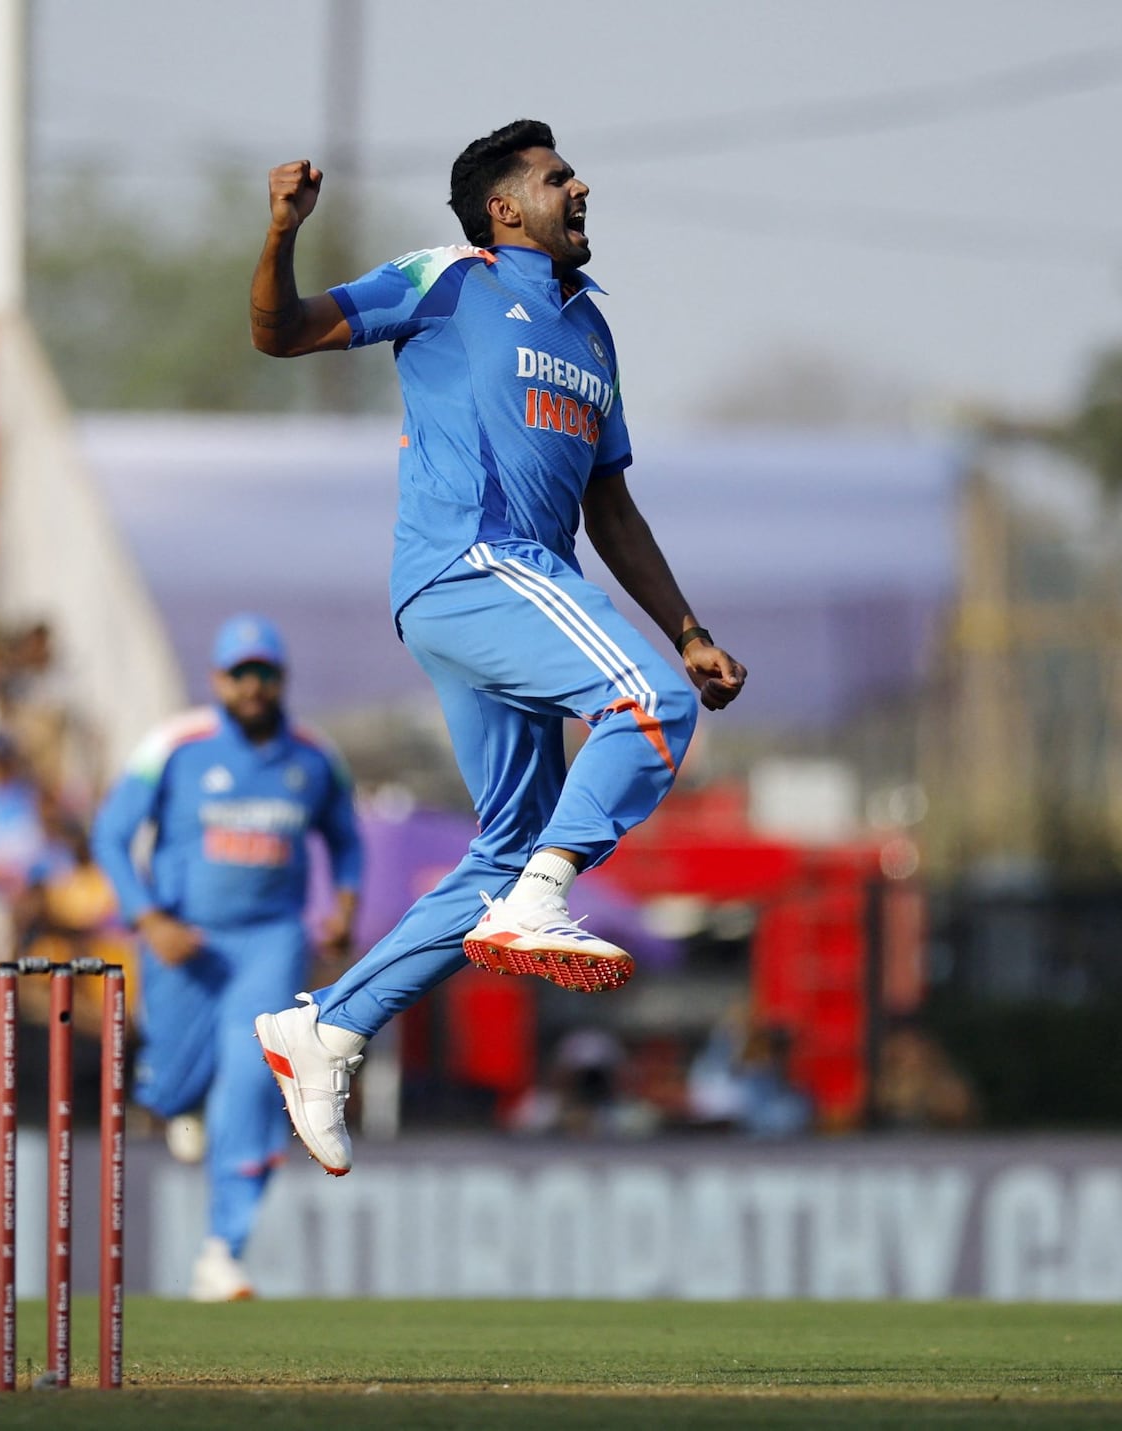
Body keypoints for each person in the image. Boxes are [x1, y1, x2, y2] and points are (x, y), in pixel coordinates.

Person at [246, 120, 748, 1175]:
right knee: (650, 704)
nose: (581, 186)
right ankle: (543, 896)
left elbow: (613, 510)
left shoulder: (592, 330)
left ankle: (327, 1028)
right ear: (505, 208)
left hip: (517, 594)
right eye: (558, 178)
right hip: (474, 563)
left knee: (509, 848)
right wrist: (283, 231)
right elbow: (282, 333)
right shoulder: (447, 277)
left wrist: (689, 629)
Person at [91, 615, 362, 1299]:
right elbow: (111, 835)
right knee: (170, 1088)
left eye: (264, 673)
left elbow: (347, 841)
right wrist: (149, 918)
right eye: (240, 674)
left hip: (271, 941)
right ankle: (183, 1102)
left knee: (251, 1077)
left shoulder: (314, 755)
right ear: (216, 680)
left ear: (282, 678)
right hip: (184, 942)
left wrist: (345, 906)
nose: (252, 686)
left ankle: (222, 1251)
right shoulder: (174, 745)